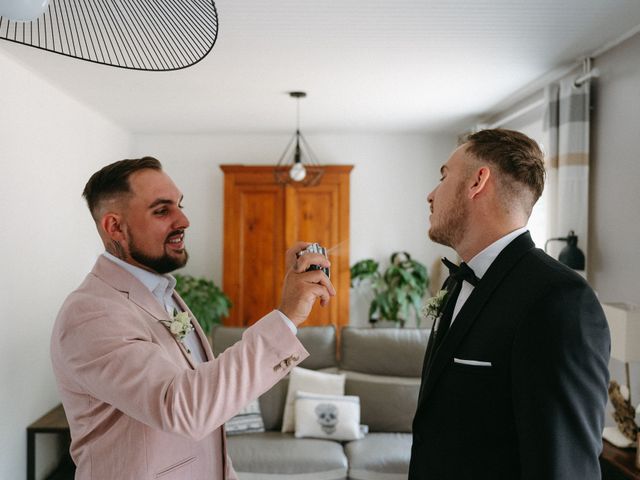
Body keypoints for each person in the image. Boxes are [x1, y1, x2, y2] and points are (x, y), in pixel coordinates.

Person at [50, 157, 335, 480]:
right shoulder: (91, 313)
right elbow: (184, 409)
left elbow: (206, 405)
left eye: (179, 205)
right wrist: (286, 318)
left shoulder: (163, 292)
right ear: (114, 227)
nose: (183, 220)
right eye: (162, 210)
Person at [409, 129, 610, 479]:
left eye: (443, 177)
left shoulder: (559, 299)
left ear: (477, 182)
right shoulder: (458, 280)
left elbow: (564, 468)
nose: (430, 195)